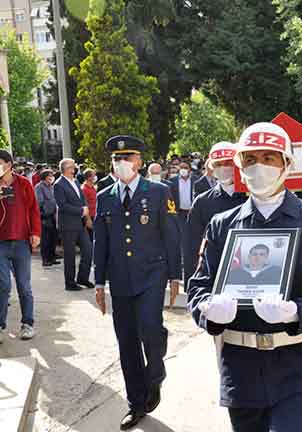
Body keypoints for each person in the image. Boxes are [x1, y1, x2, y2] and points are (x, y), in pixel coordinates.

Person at [187, 122, 302, 432]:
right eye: (250, 159)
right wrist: (209, 310)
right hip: (240, 367)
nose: (258, 167)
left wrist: (298, 311)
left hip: (298, 363)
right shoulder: (221, 225)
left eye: (269, 158)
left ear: (286, 164)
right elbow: (198, 287)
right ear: (240, 166)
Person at [93, 135, 182, 430]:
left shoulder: (158, 191)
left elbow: (171, 235)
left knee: (150, 329)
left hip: (152, 274)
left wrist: (174, 274)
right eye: (116, 160)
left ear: (139, 162)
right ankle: (136, 402)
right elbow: (100, 242)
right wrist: (98, 283)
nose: (121, 164)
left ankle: (155, 375)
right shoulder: (105, 195)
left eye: (127, 158)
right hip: (120, 278)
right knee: (127, 341)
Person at [0, 149, 41, 345]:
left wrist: (35, 233)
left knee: (24, 286)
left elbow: (33, 210)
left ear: (9, 164)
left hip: (21, 242)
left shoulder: (23, 184)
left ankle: (27, 324)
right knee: (2, 286)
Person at [187, 142, 246, 286]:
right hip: (214, 272)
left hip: (248, 270)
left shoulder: (251, 197)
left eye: (228, 163)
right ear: (212, 168)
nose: (224, 168)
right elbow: (192, 244)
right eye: (218, 164)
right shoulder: (202, 202)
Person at [54, 159, 94, 291]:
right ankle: (70, 283)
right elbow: (62, 205)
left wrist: (86, 214)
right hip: (68, 225)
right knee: (70, 256)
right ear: (66, 168)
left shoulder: (75, 181)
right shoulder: (59, 184)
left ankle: (82, 278)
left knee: (88, 250)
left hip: (80, 223)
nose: (75, 168)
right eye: (72, 166)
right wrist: (81, 211)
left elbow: (82, 199)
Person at [168, 161, 199, 287]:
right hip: (179, 214)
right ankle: (178, 272)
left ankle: (192, 272)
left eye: (186, 168)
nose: (183, 170)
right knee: (179, 241)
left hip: (193, 213)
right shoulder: (172, 181)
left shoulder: (197, 180)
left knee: (191, 241)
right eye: (181, 168)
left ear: (190, 169)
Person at [34, 170, 60, 267]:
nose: (51, 178)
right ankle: (45, 259)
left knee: (53, 238)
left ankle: (52, 257)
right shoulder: (39, 187)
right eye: (50, 176)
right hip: (45, 216)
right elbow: (39, 202)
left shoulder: (51, 187)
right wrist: (44, 211)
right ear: (45, 177)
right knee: (46, 239)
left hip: (54, 215)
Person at [81, 168, 98, 241]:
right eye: (94, 176)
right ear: (89, 177)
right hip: (89, 217)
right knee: (90, 238)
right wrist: (87, 219)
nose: (95, 177)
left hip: (95, 215)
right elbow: (84, 205)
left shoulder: (93, 187)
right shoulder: (84, 189)